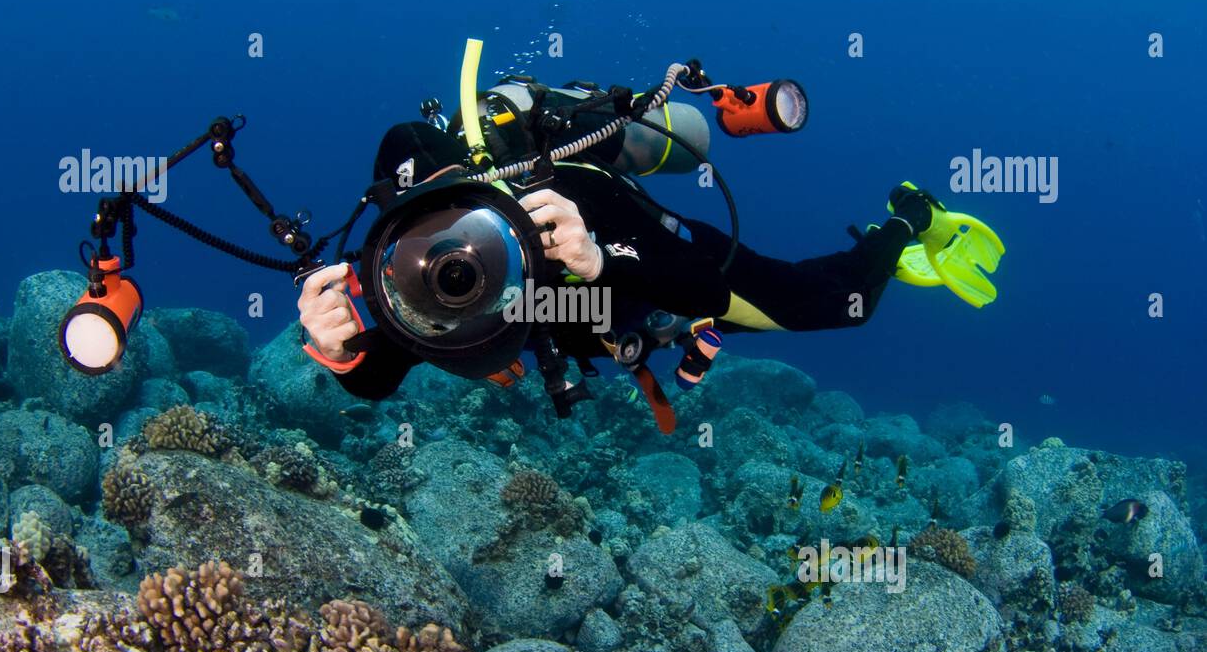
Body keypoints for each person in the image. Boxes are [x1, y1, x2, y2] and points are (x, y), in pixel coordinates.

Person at [299, 121, 939, 408]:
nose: (451, 245)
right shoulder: (419, 277)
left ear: (486, 180)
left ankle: (906, 221)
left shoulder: (565, 201)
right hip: (627, 325)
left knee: (836, 304)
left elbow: (701, 287)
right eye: (421, 222)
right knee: (802, 285)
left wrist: (597, 258)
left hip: (677, 268)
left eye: (460, 206)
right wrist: (342, 352)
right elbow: (381, 377)